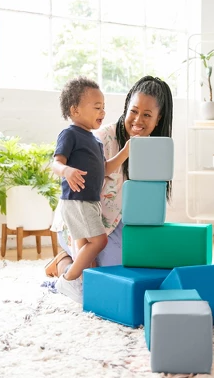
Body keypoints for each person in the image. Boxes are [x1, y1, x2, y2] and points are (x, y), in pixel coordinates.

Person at [46, 75, 174, 296]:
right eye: (133, 111)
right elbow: (77, 200)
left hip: (116, 223)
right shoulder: (98, 139)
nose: (138, 120)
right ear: (126, 108)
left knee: (145, 267)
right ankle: (63, 263)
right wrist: (84, 250)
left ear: (158, 118)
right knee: (103, 280)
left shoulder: (155, 149)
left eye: (147, 115)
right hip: (80, 223)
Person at [52, 76, 131, 303]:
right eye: (97, 107)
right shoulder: (70, 134)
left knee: (86, 247)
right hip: (77, 200)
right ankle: (68, 279)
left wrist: (125, 151)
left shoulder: (94, 141)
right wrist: (67, 171)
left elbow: (105, 169)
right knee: (99, 241)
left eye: (103, 107)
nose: (103, 112)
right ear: (75, 110)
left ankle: (79, 282)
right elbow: (55, 163)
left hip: (90, 201)